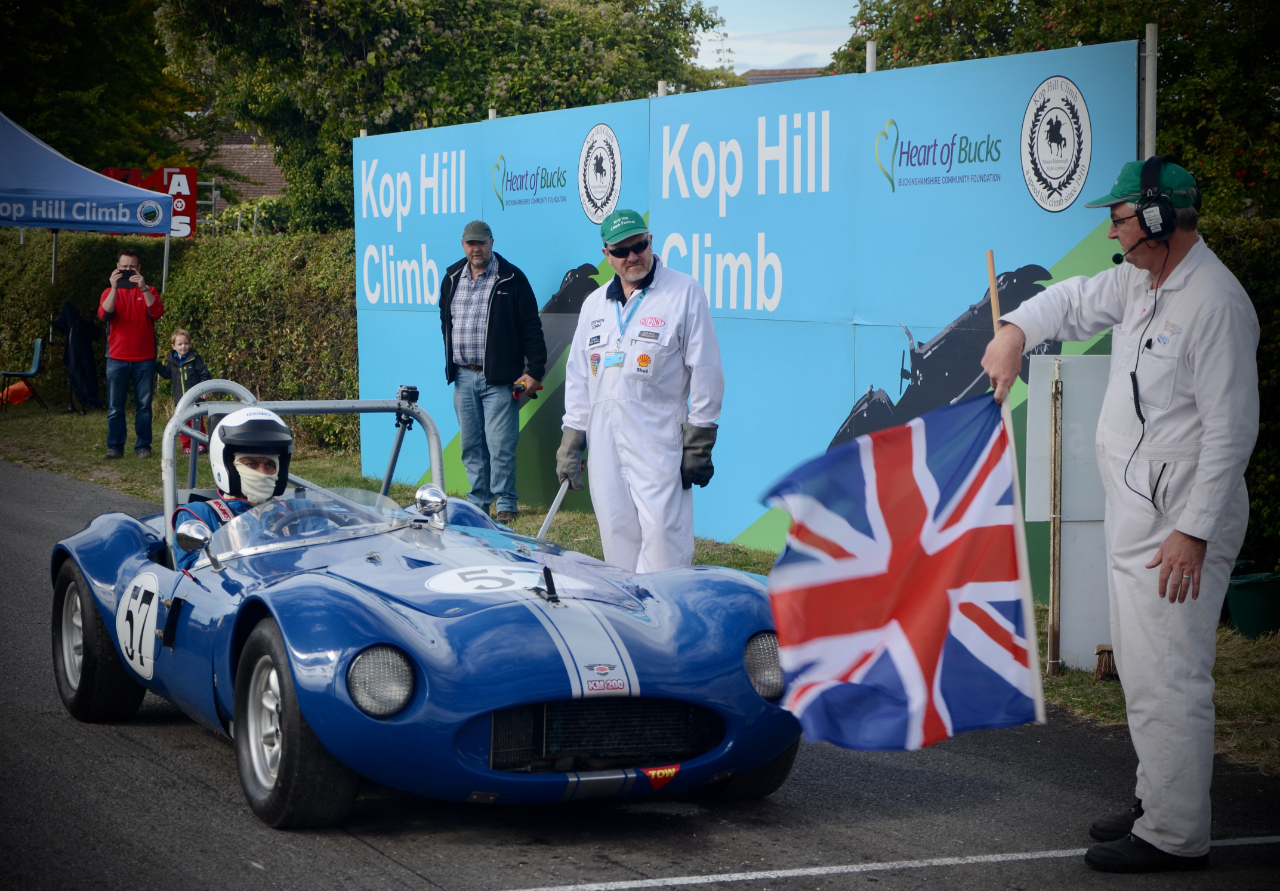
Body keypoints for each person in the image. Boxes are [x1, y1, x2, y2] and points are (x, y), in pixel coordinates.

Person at [981, 157, 1259, 873]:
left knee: (1169, 674)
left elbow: (1231, 434)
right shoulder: (1141, 280)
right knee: (1141, 667)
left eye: (1120, 217)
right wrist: (1014, 331)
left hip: (1179, 527)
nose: (1112, 230)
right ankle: (1156, 798)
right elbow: (1072, 301)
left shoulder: (1216, 304)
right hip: (1143, 517)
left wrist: (1193, 531)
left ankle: (1174, 833)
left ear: (1160, 218)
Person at [556, 209, 724, 572]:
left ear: (650, 241)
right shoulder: (594, 305)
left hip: (658, 438)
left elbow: (706, 368)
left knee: (665, 543)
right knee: (616, 538)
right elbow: (579, 377)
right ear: (606, 255)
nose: (633, 256)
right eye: (621, 251)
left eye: (640, 246)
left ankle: (667, 608)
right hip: (604, 441)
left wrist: (700, 438)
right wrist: (572, 437)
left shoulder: (683, 291)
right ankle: (627, 608)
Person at [439, 220, 547, 522]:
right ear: (463, 245)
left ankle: (506, 503)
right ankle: (478, 501)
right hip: (463, 376)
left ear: (491, 242)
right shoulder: (451, 277)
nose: (476, 249)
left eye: (481, 243)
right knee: (471, 445)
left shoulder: (512, 278)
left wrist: (535, 371)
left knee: (500, 444)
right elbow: (446, 322)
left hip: (499, 378)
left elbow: (531, 328)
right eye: (470, 243)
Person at [171, 406, 294, 570]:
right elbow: (190, 574)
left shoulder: (296, 511)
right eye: (251, 464)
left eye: (270, 465)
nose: (262, 473)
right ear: (228, 466)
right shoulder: (199, 515)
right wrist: (250, 552)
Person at [99, 249, 164, 459]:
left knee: (144, 407)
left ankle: (143, 447)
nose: (128, 271)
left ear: (139, 268)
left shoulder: (150, 290)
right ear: (117, 268)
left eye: (132, 267)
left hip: (144, 359)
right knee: (115, 407)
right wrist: (114, 288)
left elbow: (157, 313)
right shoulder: (108, 292)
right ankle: (115, 447)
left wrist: (143, 289)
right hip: (116, 358)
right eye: (124, 267)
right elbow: (104, 315)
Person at [157, 328, 212, 454]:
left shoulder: (195, 359)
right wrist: (156, 365)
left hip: (196, 397)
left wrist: (205, 390)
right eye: (180, 344)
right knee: (183, 423)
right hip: (180, 399)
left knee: (197, 421)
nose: (183, 346)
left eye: (186, 343)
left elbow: (204, 374)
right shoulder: (172, 361)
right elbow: (167, 373)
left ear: (190, 344)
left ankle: (201, 444)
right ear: (174, 346)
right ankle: (187, 446)